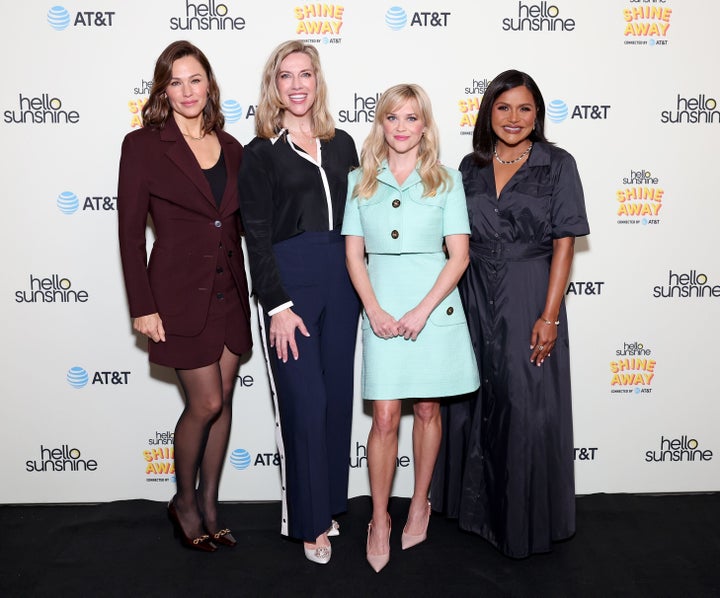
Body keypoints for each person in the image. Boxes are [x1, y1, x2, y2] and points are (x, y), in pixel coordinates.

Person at [431, 69, 590, 558]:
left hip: (527, 292)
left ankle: (523, 520)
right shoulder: (469, 166)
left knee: (525, 405)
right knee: (472, 402)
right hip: (473, 292)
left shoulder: (557, 164)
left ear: (537, 113)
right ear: (488, 113)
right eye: (503, 107)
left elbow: (565, 242)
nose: (513, 118)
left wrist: (550, 315)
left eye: (524, 108)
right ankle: (475, 512)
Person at [118, 40, 252, 552]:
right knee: (208, 402)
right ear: (163, 90)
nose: (187, 90)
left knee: (226, 401)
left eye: (195, 79)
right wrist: (142, 305)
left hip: (229, 291)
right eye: (175, 82)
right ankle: (184, 501)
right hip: (176, 296)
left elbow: (236, 222)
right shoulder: (143, 145)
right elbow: (131, 235)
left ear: (209, 84)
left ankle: (211, 502)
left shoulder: (234, 146)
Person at [342, 83, 480, 573]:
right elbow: (354, 256)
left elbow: (459, 256)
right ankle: (378, 518)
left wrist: (422, 310)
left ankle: (419, 502)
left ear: (425, 126)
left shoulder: (446, 180)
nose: (401, 127)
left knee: (426, 411)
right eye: (392, 118)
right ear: (381, 124)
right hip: (380, 310)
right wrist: (374, 310)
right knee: (383, 418)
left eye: (411, 118)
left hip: (434, 310)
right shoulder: (360, 180)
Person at [237, 40, 360, 565]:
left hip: (345, 281)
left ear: (317, 80)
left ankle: (330, 503)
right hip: (291, 286)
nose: (296, 85)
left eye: (305, 74)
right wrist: (276, 305)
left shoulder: (344, 144)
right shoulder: (260, 152)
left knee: (334, 401)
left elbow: (361, 222)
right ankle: (308, 522)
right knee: (304, 403)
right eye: (285, 76)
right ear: (274, 85)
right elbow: (256, 237)